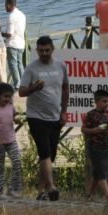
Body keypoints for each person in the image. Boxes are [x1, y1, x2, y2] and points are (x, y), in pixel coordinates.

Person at [18, 35, 69, 201]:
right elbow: (21, 92)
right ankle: (52, 187)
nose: (44, 53)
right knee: (45, 152)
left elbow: (65, 89)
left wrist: (64, 111)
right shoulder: (31, 68)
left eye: (47, 50)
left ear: (52, 49)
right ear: (37, 51)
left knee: (49, 156)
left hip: (55, 117)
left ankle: (40, 191)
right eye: (41, 51)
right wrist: (34, 88)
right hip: (36, 116)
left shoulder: (61, 66)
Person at [1, 0, 26, 87]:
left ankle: (17, 84)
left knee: (13, 65)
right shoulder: (22, 14)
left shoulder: (11, 16)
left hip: (12, 44)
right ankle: (24, 83)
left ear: (10, 5)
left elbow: (9, 34)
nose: (5, 7)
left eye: (6, 5)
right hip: (21, 44)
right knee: (20, 64)